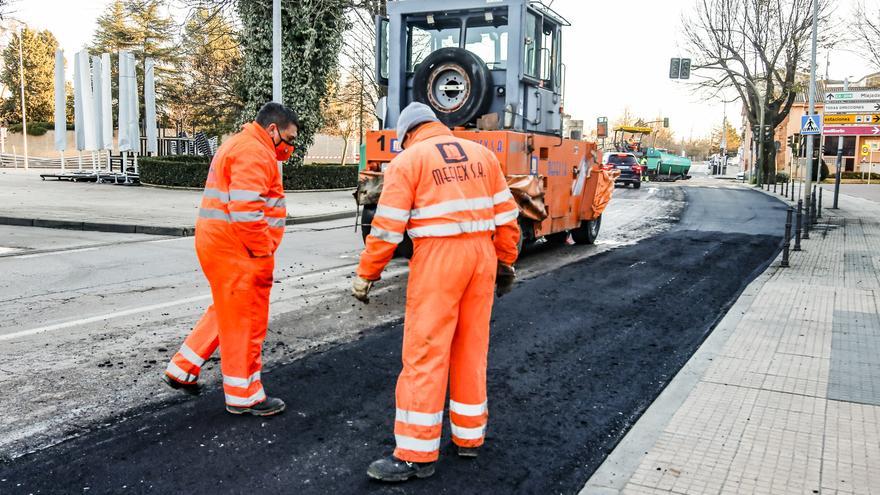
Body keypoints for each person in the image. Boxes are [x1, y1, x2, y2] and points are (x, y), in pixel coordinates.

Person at [352, 102, 520, 482]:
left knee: (425, 352)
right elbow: (508, 217)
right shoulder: (482, 155)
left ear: (407, 134)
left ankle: (416, 453)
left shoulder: (409, 161)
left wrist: (367, 273)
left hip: (439, 259)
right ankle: (469, 437)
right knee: (471, 347)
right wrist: (506, 262)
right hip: (482, 258)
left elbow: (387, 229)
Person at [163, 102, 299, 416]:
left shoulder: (242, 145)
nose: (290, 147)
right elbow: (247, 212)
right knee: (245, 321)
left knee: (227, 309)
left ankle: (182, 368)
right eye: (289, 140)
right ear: (272, 130)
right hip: (239, 249)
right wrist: (263, 250)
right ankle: (244, 396)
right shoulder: (254, 152)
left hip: (222, 244)